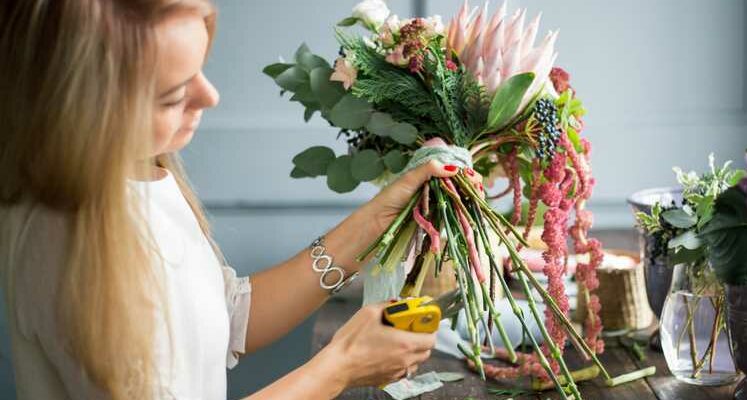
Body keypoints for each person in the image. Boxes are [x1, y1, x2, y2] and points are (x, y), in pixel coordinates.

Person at [0, 1, 484, 399]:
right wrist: (339, 366)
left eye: (200, 69)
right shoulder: (70, 245)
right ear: (79, 107)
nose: (210, 96)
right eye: (172, 95)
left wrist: (377, 221)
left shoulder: (139, 175)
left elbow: (224, 318)